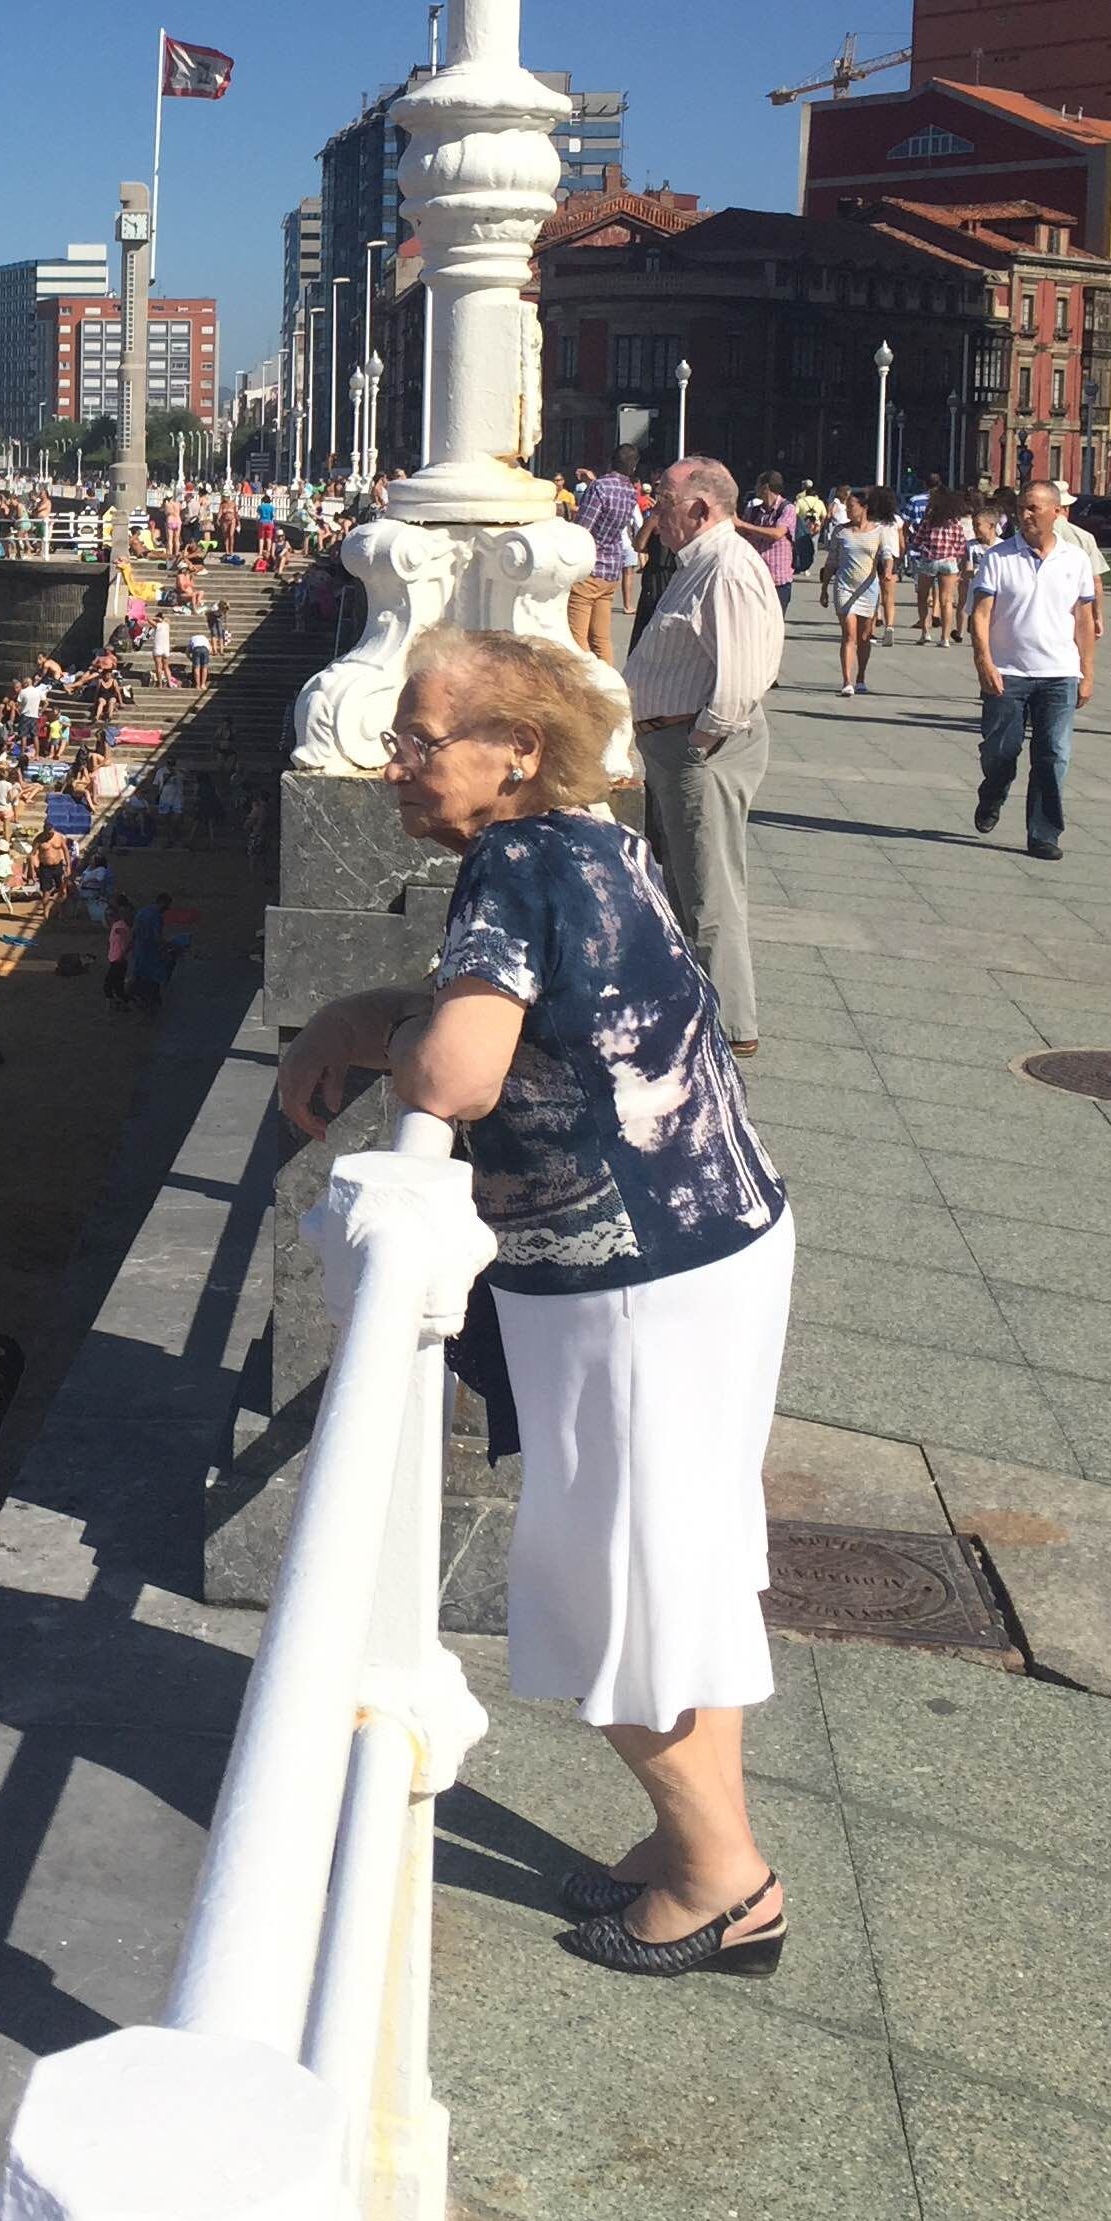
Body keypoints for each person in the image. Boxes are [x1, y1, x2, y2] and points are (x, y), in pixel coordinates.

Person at [276, 627, 801, 1977]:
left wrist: (383, 1038)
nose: (389, 761)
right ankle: (705, 1842)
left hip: (629, 1277)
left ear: (514, 751)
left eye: (416, 736)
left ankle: (726, 1880)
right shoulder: (590, 838)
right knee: (676, 1564)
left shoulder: (511, 860)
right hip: (716, 1237)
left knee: (602, 1581)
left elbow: (453, 1078)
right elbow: (548, 1015)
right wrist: (363, 1013)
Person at [622, 462, 779, 940]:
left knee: (710, 906)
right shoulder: (700, 562)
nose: (655, 511)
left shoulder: (727, 567)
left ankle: (728, 1018)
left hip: (699, 751)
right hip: (676, 745)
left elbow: (742, 681)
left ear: (698, 509)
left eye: (664, 502)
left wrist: (698, 742)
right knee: (683, 894)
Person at [975, 493, 1100, 856]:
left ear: (1057, 513)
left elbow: (1084, 619)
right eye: (1021, 508)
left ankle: (1044, 833)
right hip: (1008, 672)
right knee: (1001, 751)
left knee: (1053, 754)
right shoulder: (998, 557)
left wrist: (1086, 672)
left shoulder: (1074, 559)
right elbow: (980, 614)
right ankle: (994, 791)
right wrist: (984, 661)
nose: (1025, 515)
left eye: (1034, 508)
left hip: (1059, 673)